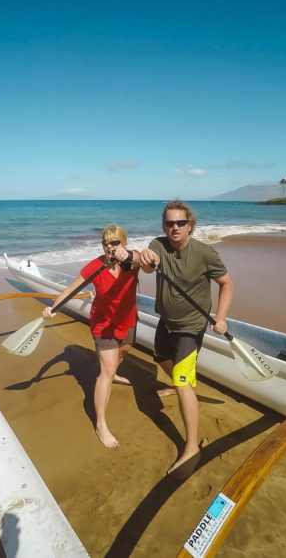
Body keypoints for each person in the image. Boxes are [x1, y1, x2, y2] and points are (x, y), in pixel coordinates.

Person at [138, 200, 233, 478]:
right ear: (163, 226)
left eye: (180, 223)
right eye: (169, 223)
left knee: (180, 381)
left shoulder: (204, 253)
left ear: (190, 225)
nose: (175, 228)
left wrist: (222, 316)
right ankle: (183, 383)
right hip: (166, 322)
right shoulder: (158, 245)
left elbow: (227, 283)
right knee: (160, 359)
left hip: (191, 328)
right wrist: (145, 258)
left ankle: (192, 446)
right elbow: (147, 262)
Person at [43, 225, 141, 449]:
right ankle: (101, 425)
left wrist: (133, 256)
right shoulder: (96, 266)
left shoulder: (132, 262)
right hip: (103, 324)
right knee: (105, 373)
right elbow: (72, 289)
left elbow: (147, 262)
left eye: (116, 242)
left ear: (124, 244)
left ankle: (113, 371)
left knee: (125, 350)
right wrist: (53, 306)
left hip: (127, 319)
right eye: (106, 243)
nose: (110, 247)